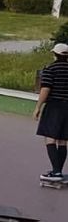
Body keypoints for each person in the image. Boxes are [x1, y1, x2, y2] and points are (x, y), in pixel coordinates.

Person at [33, 43, 68, 183]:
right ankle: (58, 170)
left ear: (55, 54)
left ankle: (56, 172)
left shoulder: (50, 69)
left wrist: (38, 107)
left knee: (50, 138)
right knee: (63, 140)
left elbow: (45, 89)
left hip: (54, 106)